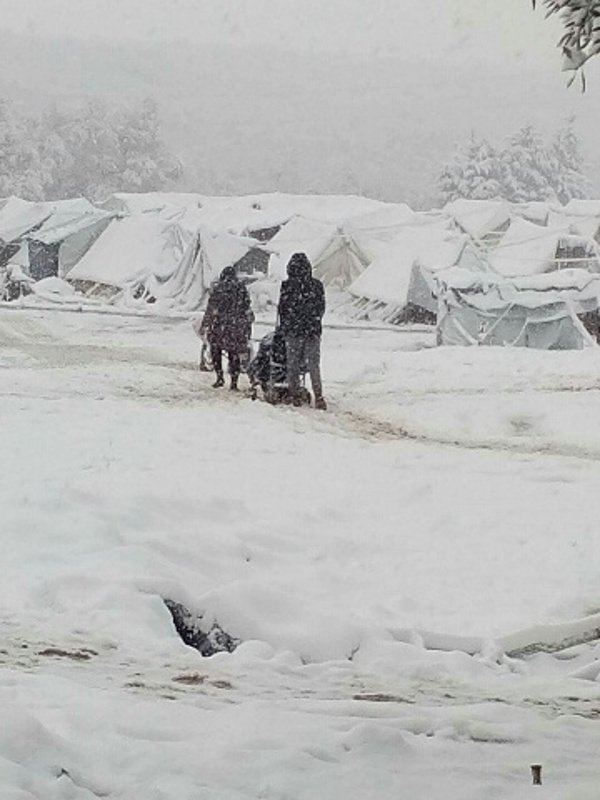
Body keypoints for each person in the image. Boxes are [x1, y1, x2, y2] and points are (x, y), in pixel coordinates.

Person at [277, 251, 327, 410]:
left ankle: (294, 395)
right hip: (312, 331)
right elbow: (321, 308)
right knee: (313, 365)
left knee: (293, 364)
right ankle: (319, 396)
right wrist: (313, 321)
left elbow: (282, 309)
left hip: (293, 331)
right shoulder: (317, 285)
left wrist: (285, 326)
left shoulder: (287, 285)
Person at [201, 266, 254, 390]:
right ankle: (234, 382)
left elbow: (211, 307)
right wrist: (247, 326)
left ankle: (219, 377)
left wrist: (206, 322)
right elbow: (246, 307)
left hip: (220, 325)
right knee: (234, 353)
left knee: (216, 351)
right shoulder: (241, 288)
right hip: (236, 326)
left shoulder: (218, 289)